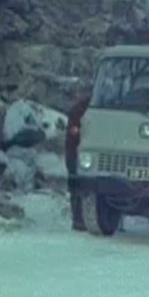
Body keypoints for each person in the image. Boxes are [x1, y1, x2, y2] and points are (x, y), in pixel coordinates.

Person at [65, 94, 91, 231]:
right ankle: (78, 218)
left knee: (78, 187)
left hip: (77, 152)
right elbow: (74, 134)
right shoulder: (79, 112)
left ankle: (79, 218)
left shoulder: (79, 110)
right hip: (76, 152)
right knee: (77, 186)